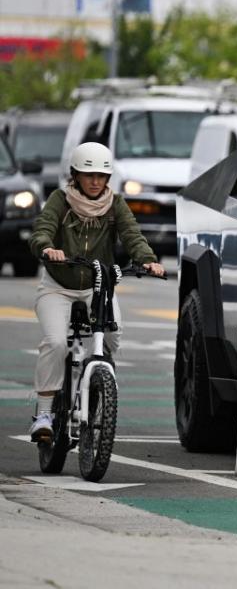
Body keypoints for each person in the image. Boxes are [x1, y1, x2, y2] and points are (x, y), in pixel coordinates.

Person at [27, 142, 164, 441]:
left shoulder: (115, 204)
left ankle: (98, 385)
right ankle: (45, 413)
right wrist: (47, 247)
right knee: (55, 343)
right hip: (57, 286)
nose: (95, 181)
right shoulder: (60, 200)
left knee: (112, 337)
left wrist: (148, 261)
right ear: (75, 175)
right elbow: (43, 228)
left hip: (97, 285)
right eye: (88, 175)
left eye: (101, 176)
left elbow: (132, 235)